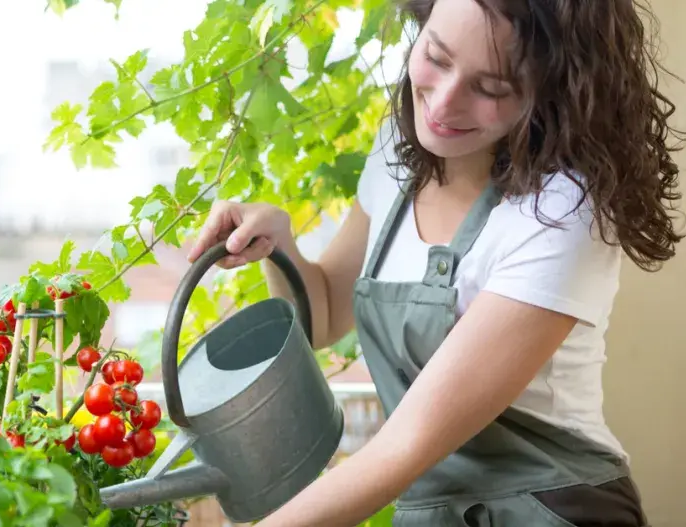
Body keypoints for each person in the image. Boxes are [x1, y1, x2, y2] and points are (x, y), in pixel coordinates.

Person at [185, 0, 683, 525]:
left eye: (490, 88)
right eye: (437, 58)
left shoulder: (563, 211)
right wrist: (279, 244)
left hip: (548, 508)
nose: (443, 104)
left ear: (550, 89)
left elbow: (407, 445)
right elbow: (325, 315)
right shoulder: (395, 154)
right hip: (433, 510)